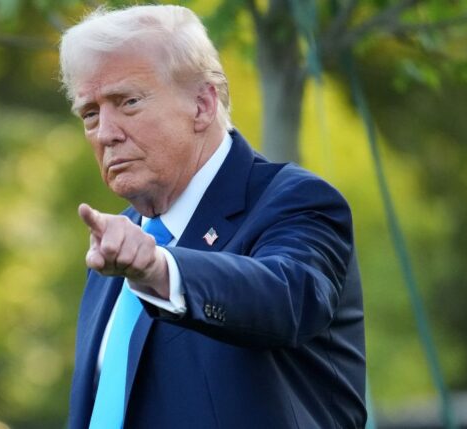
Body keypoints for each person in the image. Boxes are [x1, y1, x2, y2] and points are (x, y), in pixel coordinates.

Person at [59, 5, 366, 428]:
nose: (106, 132)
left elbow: (287, 297)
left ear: (202, 104)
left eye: (127, 102)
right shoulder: (115, 249)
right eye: (90, 113)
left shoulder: (298, 201)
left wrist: (160, 268)